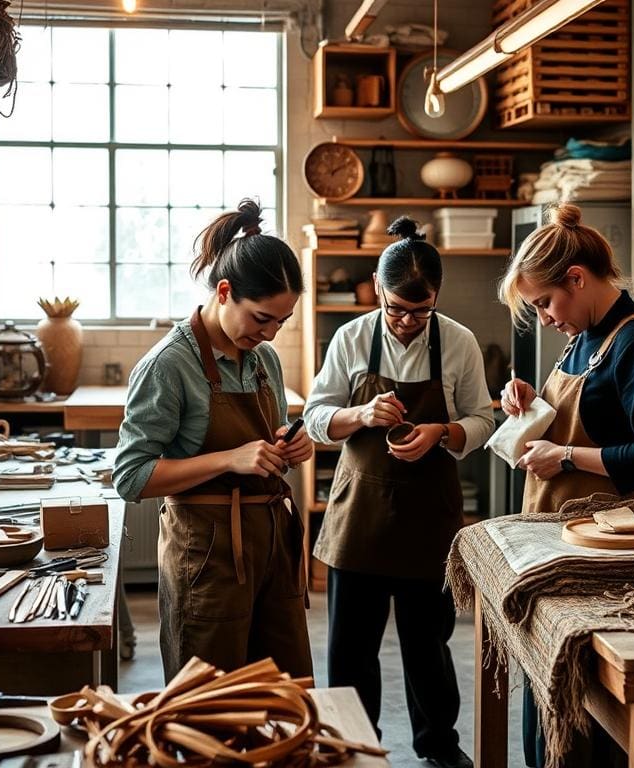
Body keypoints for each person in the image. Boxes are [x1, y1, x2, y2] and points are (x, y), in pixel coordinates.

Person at [498, 202, 634, 767]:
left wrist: (566, 456)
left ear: (576, 279)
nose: (546, 317)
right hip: (562, 539)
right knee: (548, 693)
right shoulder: (583, 337)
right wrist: (531, 405)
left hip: (608, 548)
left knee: (590, 720)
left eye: (545, 303)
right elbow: (591, 415)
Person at [304, 216, 495, 768]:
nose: (408, 321)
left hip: (428, 520)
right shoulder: (351, 337)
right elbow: (315, 418)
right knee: (351, 652)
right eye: (396, 308)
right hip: (359, 519)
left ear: (437, 297)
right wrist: (359, 413)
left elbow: (483, 419)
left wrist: (446, 433)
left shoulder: (457, 343)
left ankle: (438, 748)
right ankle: (350, 747)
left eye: (421, 309)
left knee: (428, 648)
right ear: (377, 289)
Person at [113, 199, 313, 682]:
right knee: (207, 703)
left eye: (282, 323)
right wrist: (231, 459)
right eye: (262, 318)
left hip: (271, 552)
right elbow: (131, 476)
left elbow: (263, 450)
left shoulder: (264, 360)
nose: (269, 334)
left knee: (285, 695)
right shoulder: (169, 365)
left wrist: (288, 449)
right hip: (206, 559)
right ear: (224, 292)